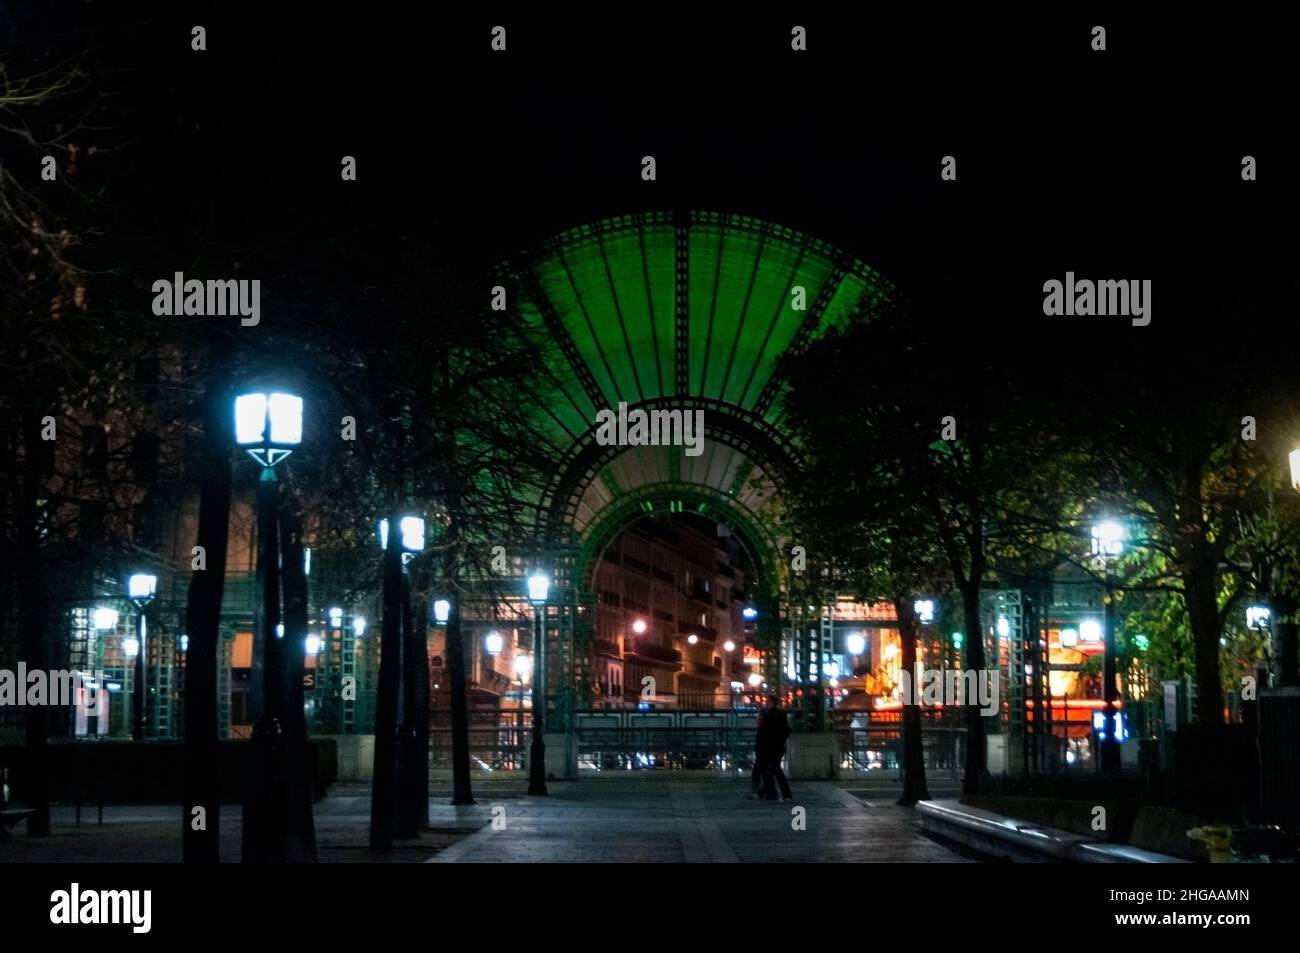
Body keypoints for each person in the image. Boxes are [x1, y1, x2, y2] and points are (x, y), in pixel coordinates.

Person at [756, 695, 792, 801]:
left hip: (770, 747)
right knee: (772, 770)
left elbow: (763, 730)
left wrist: (760, 720)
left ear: (770, 702)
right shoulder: (781, 714)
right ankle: (768, 794)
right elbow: (786, 731)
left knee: (772, 770)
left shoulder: (768, 716)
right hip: (778, 746)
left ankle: (777, 794)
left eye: (767, 701)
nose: (765, 703)